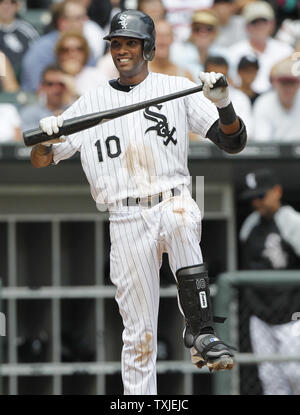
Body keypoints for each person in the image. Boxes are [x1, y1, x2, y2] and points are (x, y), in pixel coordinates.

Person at [30, 10, 248, 395]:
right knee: (139, 334)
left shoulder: (173, 88)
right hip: (124, 217)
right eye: (116, 43)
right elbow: (41, 159)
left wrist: (225, 104)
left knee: (182, 217)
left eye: (130, 42)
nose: (122, 50)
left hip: (171, 198)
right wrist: (47, 138)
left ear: (147, 47)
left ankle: (201, 332)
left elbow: (233, 142)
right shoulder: (91, 102)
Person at [239, 168, 300, 395]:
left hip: (293, 316)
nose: (257, 202)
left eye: (261, 196)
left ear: (277, 191)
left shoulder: (291, 221)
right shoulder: (250, 225)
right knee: (271, 380)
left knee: (296, 374)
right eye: (253, 198)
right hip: (261, 317)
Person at [20, 0, 105, 92]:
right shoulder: (42, 49)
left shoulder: (84, 46)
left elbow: (91, 77)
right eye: (78, 18)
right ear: (62, 22)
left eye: (84, 17)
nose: (84, 22)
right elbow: (35, 87)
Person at [228, 1, 293, 94]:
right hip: (245, 100)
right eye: (254, 22)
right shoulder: (233, 52)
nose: (260, 26)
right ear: (246, 26)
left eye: (264, 21)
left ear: (272, 24)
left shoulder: (286, 51)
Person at [170, 9, 228, 81]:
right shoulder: (178, 55)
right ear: (192, 32)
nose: (203, 33)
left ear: (215, 32)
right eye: (197, 29)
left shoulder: (224, 55)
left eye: (209, 29)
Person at [252, 56, 300, 142]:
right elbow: (262, 143)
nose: (288, 88)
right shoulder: (263, 103)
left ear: (298, 84)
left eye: (292, 83)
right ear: (275, 83)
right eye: (284, 83)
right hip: (273, 155)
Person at [204, 55, 253, 138]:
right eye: (213, 76)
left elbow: (247, 131)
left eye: (221, 77)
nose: (217, 81)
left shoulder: (240, 97)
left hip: (232, 147)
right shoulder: (195, 96)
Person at [55, 30, 107, 97]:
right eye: (66, 50)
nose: (72, 54)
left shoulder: (98, 77)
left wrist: (74, 92)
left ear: (85, 53)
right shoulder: (51, 79)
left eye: (78, 49)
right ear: (59, 54)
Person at [20, 65, 71, 131]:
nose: (56, 89)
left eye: (61, 84)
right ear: (42, 86)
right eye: (50, 84)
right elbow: (30, 139)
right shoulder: (29, 113)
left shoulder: (73, 111)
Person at [0, 0, 39, 79]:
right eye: (1, 2)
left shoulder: (28, 30)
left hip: (24, 76)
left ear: (17, 6)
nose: (6, 6)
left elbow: (37, 56)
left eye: (12, 2)